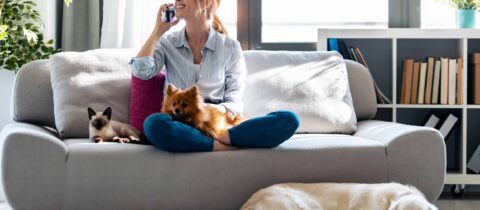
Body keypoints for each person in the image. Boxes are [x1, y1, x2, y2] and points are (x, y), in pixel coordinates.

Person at [130, 0, 299, 152]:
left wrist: (209, 111)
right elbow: (141, 72)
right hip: (182, 125)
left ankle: (217, 138)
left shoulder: (230, 47)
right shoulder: (167, 43)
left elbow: (234, 100)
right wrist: (157, 31)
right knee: (154, 124)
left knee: (288, 119)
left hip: (218, 123)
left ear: (205, 3)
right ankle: (219, 146)